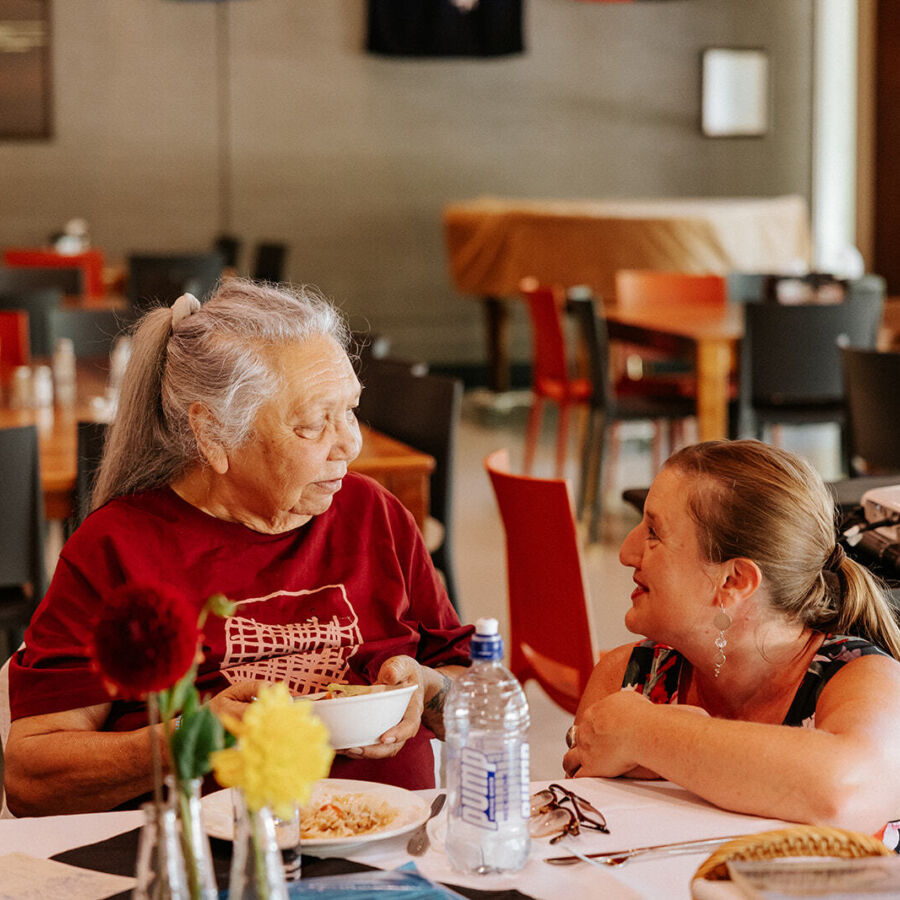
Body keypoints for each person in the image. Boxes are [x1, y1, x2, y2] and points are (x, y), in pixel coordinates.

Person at [5, 279, 471, 816]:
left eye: (350, 411)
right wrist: (190, 738)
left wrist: (429, 690)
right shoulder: (118, 549)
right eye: (313, 423)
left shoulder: (374, 515)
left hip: (392, 843)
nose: (349, 443)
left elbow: (474, 693)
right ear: (213, 433)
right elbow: (30, 778)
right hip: (212, 855)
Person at [564, 440, 900, 835]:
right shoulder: (626, 678)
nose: (626, 552)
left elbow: (841, 791)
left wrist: (643, 733)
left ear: (734, 580)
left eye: (654, 532)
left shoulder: (864, 680)